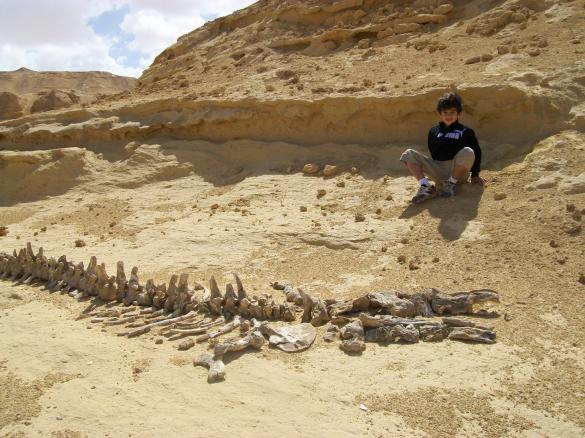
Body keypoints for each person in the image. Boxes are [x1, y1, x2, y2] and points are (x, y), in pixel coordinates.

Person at [399, 92, 486, 203]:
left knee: (468, 151)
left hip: (458, 172)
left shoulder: (466, 131)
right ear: (440, 113)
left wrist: (475, 175)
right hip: (438, 170)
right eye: (445, 112)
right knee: (408, 154)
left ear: (459, 113)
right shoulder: (433, 131)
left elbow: (476, 153)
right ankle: (426, 186)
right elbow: (433, 153)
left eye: (452, 112)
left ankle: (450, 184)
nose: (448, 116)